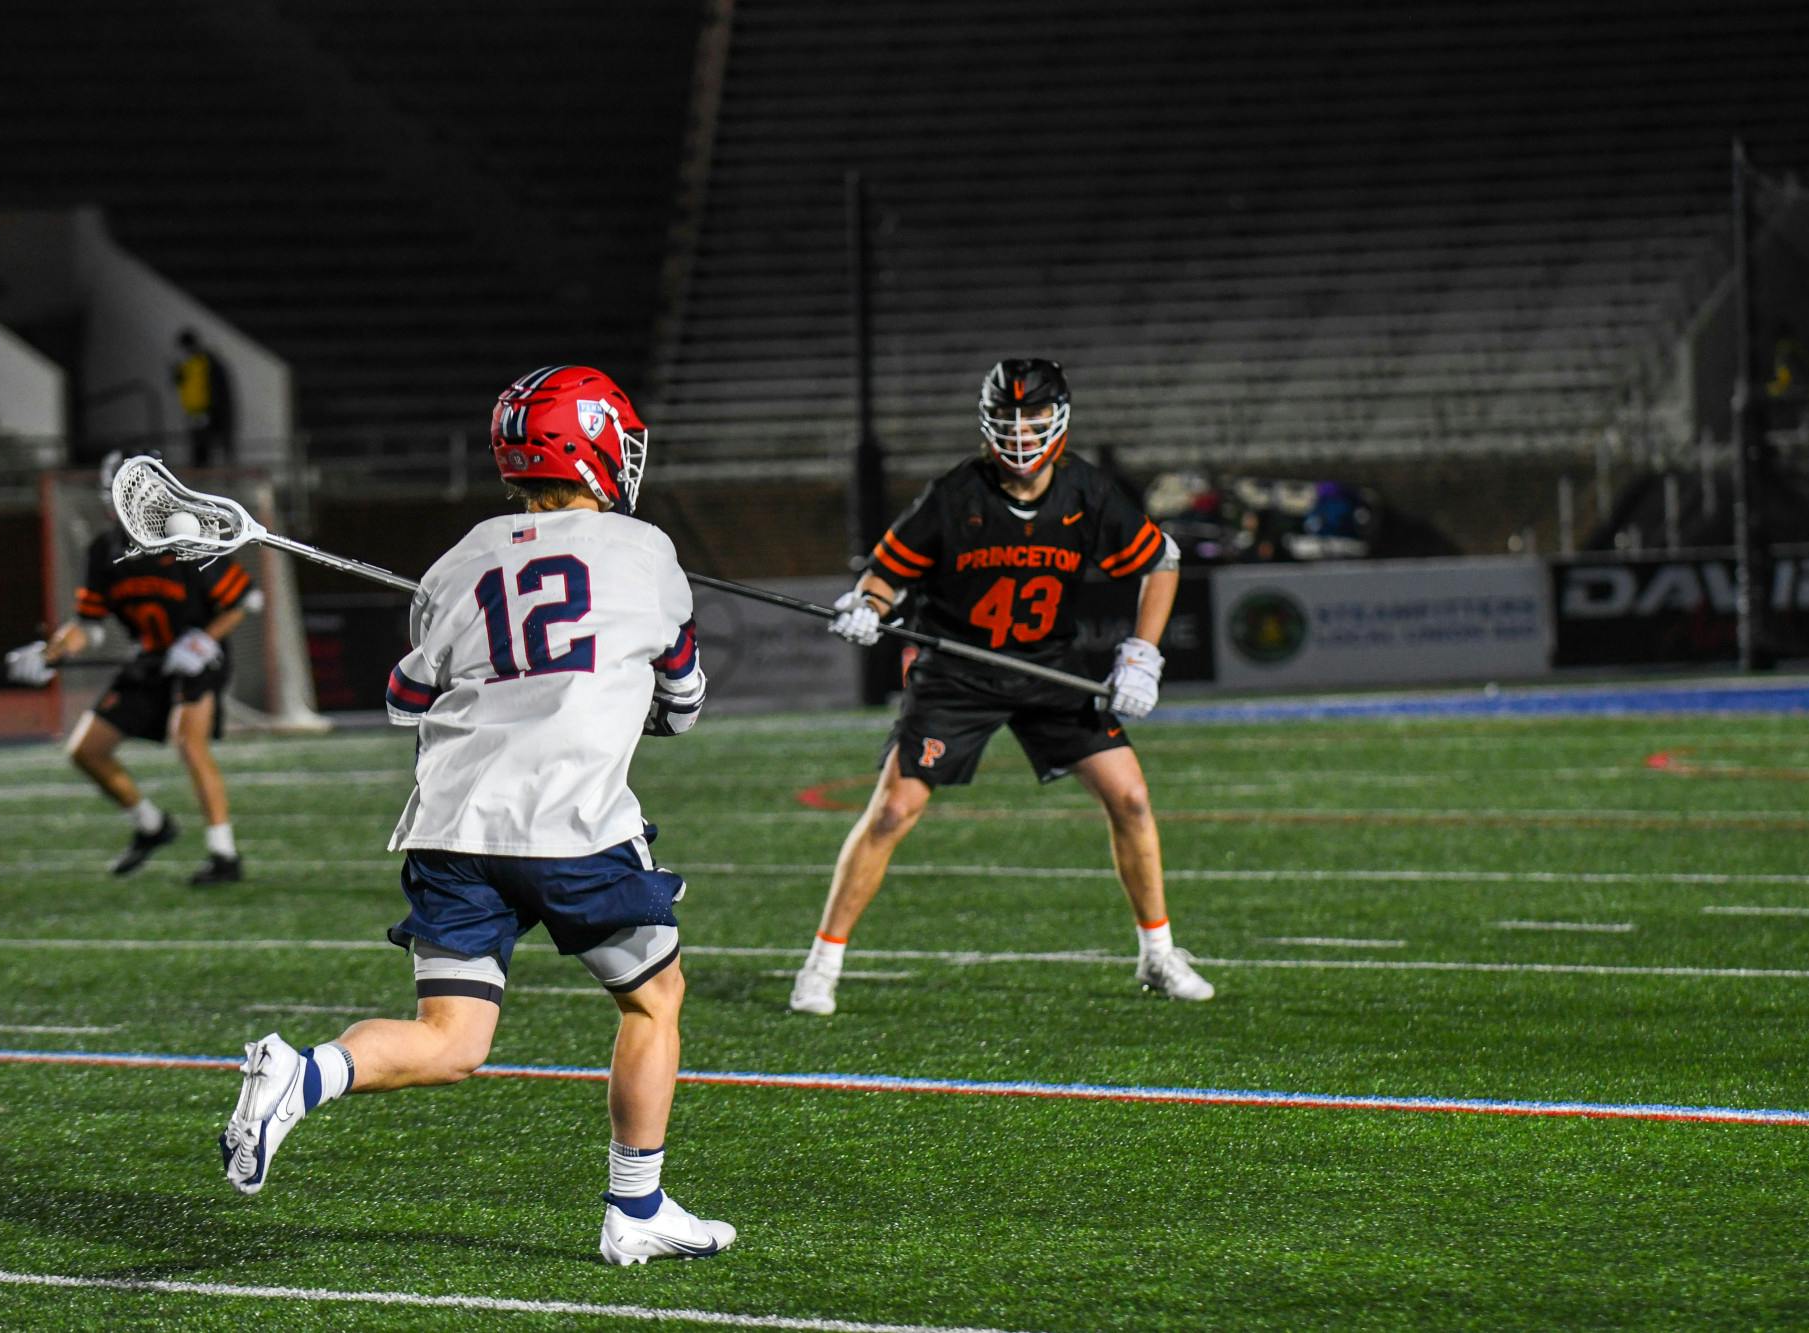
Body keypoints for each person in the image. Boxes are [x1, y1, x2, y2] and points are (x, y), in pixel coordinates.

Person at [217, 365, 732, 1267]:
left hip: (450, 832)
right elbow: (683, 702)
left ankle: (306, 1071)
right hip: (573, 827)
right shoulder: (647, 551)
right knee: (654, 999)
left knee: (451, 1041)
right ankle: (635, 1207)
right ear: (596, 446)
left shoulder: (458, 560)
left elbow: (404, 697)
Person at [789, 357, 1214, 1015]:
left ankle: (1158, 954)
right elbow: (884, 574)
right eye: (1009, 419)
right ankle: (822, 963)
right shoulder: (954, 495)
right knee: (894, 810)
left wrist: (1142, 654)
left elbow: (1161, 559)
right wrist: (866, 608)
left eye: (1034, 418)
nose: (1021, 433)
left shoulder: (1085, 492)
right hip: (957, 671)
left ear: (1060, 419)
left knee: (1129, 795)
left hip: (1048, 666)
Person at [5, 451, 257, 886]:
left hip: (199, 658)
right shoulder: (106, 550)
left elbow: (243, 603)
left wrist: (202, 639)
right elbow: (90, 626)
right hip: (151, 659)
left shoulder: (188, 537)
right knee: (86, 750)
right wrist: (51, 653)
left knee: (188, 742)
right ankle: (151, 825)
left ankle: (224, 854)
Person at [172, 328, 235, 468]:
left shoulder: (205, 362)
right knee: (199, 449)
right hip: (195, 412)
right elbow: (184, 385)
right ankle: (201, 476)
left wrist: (211, 411)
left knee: (209, 446)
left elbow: (213, 389)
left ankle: (217, 478)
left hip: (207, 411)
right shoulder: (189, 364)